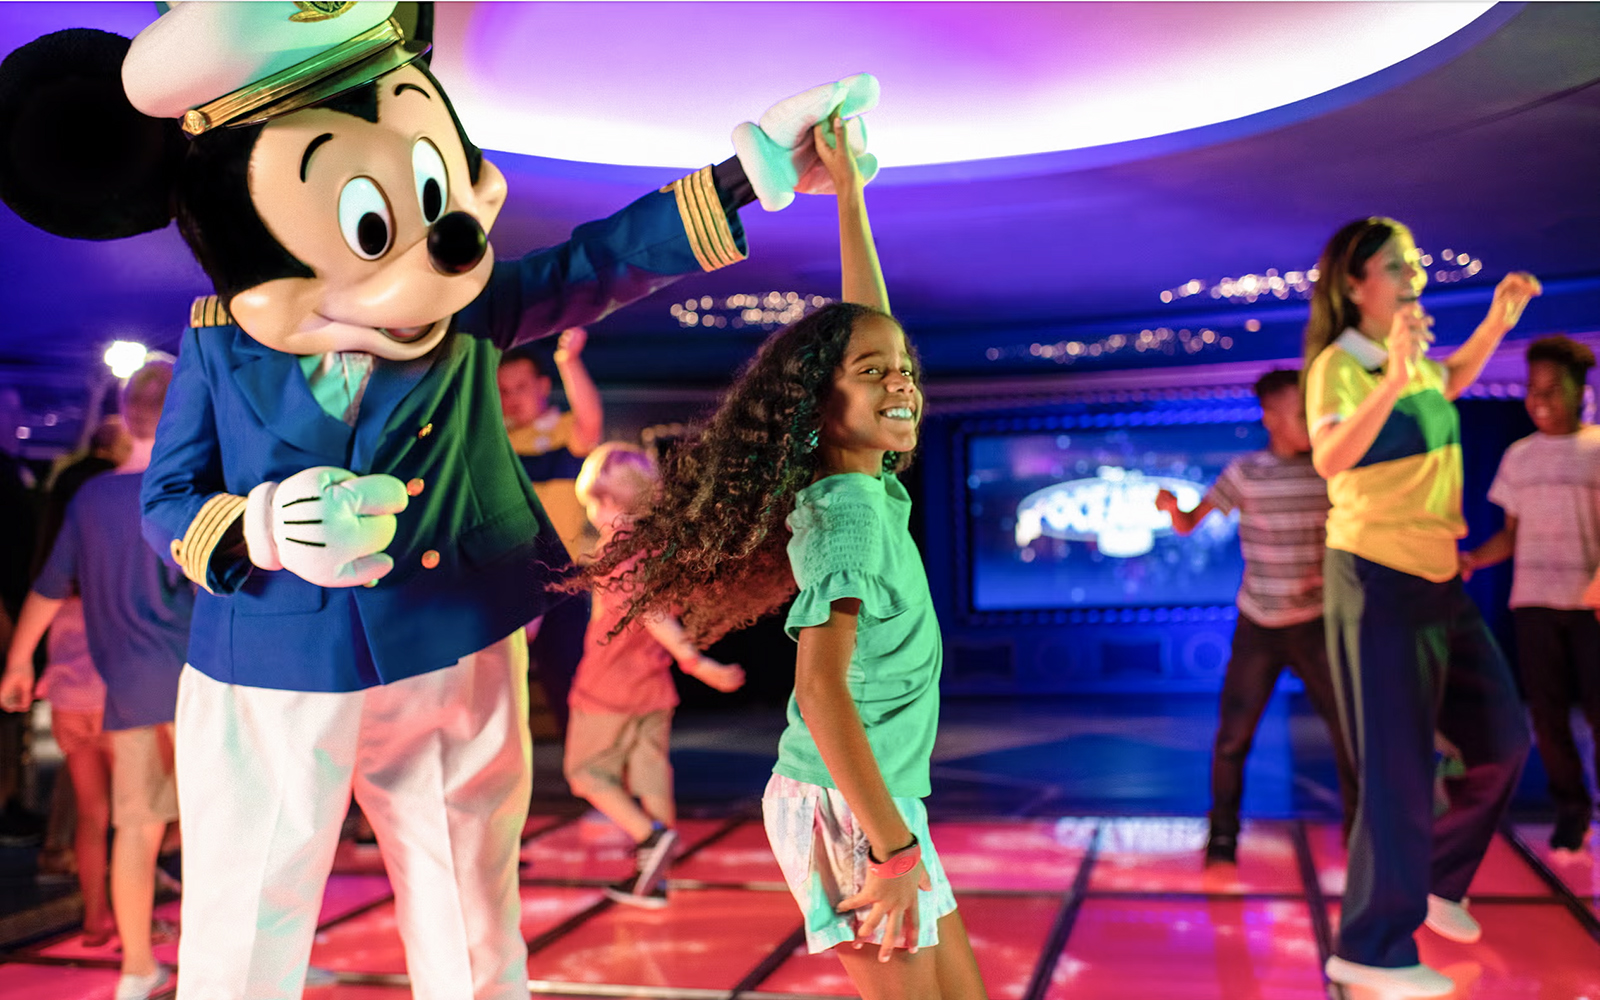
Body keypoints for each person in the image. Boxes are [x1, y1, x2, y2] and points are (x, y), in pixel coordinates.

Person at [575, 112, 987, 1000]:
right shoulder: (846, 520)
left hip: (874, 798)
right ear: (818, 407)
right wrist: (892, 848)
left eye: (905, 367)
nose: (901, 381)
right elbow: (818, 690)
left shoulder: (862, 487)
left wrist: (850, 201)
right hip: (850, 805)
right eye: (875, 373)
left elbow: (863, 324)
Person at [1304, 216, 1541, 997]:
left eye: (1414, 264)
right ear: (1353, 283)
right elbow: (1331, 458)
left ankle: (1437, 879)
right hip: (1376, 579)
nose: (1413, 276)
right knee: (1398, 768)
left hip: (1440, 580)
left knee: (1503, 739)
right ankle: (1370, 946)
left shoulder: (1415, 364)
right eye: (1396, 265)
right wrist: (1400, 375)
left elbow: (1458, 377)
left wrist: (1497, 321)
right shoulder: (1341, 366)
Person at [2, 361, 191, 1000]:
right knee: (226, 817)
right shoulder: (200, 488)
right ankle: (237, 960)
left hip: (131, 689)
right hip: (206, 684)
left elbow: (48, 588)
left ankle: (137, 968)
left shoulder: (93, 497)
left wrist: (18, 663)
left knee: (132, 827)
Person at [1155, 369, 1357, 865]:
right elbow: (1188, 523)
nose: (1312, 421)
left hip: (1314, 623)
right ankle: (1222, 838)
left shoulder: (1331, 471)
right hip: (1259, 625)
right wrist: (1171, 506)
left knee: (1351, 733)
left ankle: (1361, 836)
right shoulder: (1246, 472)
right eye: (1300, 412)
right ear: (1270, 418)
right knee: (1232, 738)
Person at [564, 442, 744, 908]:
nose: (596, 515)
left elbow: (651, 613)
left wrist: (695, 661)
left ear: (610, 502)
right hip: (650, 685)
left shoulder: (617, 551)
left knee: (585, 772)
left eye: (598, 504)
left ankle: (649, 838)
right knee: (650, 777)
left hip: (609, 683)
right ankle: (655, 879)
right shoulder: (659, 549)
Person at [1461, 335, 1600, 853]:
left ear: (1578, 389)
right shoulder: (1519, 456)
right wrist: (1475, 558)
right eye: (1532, 388)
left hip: (1590, 604)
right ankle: (1571, 811)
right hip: (1534, 600)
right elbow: (1511, 533)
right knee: (1545, 714)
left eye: (1552, 389)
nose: (1539, 399)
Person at [31, 416, 130, 941]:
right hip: (114, 701)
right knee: (133, 821)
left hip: (69, 707)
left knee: (91, 818)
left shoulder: (57, 592)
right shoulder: (107, 586)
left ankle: (95, 920)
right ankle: (133, 917)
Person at [500, 328, 603, 738]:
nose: (512, 398)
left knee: (569, 677)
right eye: (503, 390)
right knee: (501, 678)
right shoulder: (499, 439)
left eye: (521, 386)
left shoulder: (564, 430)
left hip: (564, 576)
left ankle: (590, 779)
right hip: (511, 575)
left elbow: (591, 421)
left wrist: (569, 361)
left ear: (543, 386)